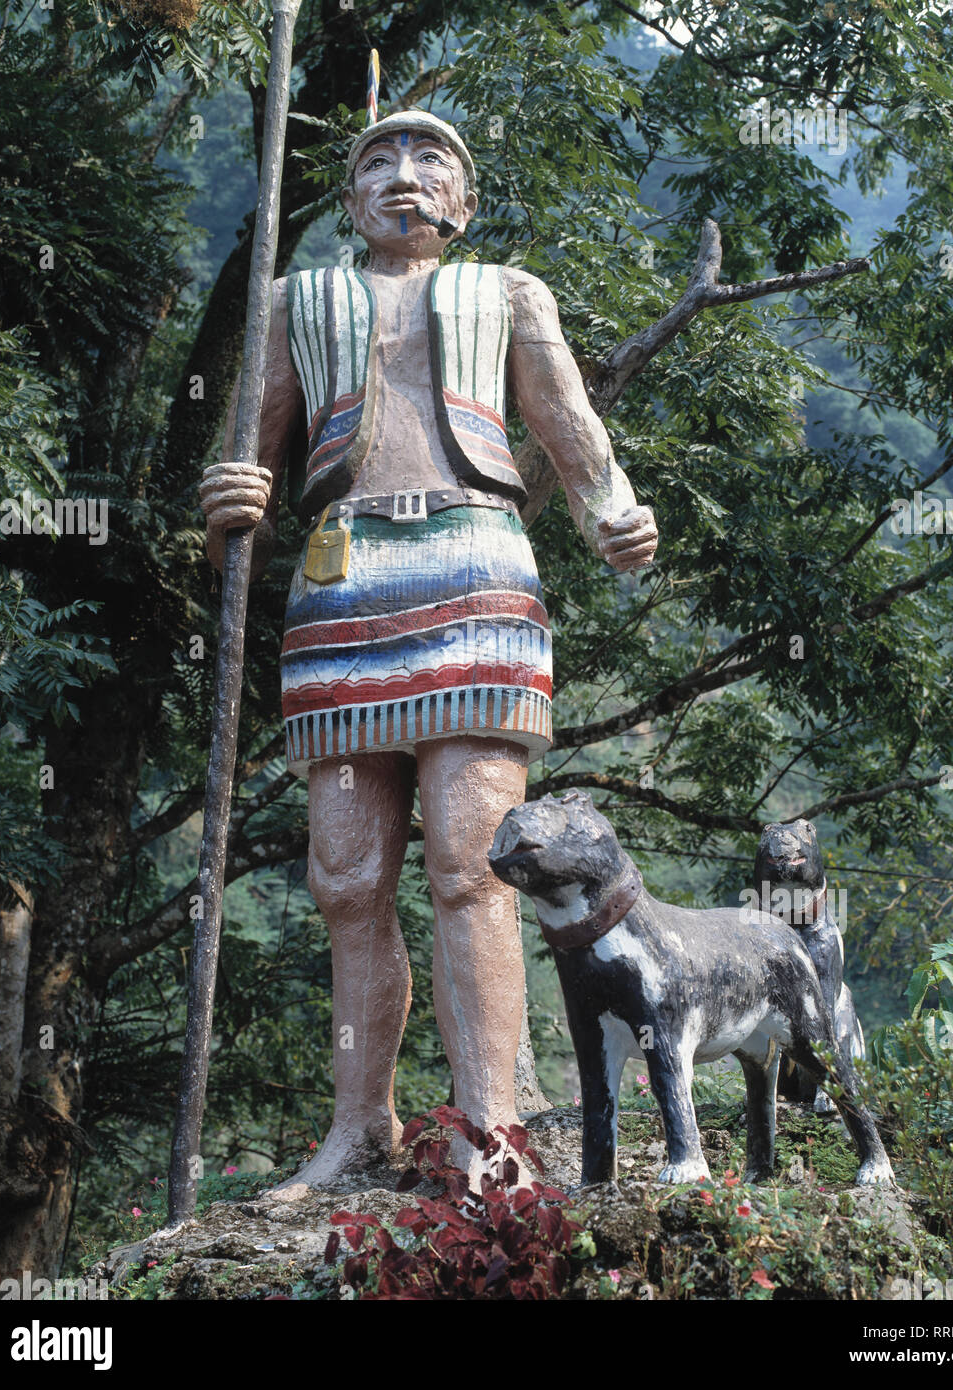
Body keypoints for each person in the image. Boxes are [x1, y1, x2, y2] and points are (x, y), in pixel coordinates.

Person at [200, 110, 658, 1191]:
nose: (403, 177)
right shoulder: (293, 303)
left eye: (430, 162)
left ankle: (488, 1125)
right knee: (348, 877)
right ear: (348, 198)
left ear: (464, 201)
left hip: (474, 567)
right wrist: (226, 496)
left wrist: (611, 506)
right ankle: (359, 1122)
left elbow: (564, 416)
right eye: (378, 163)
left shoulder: (507, 293)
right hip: (340, 576)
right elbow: (239, 466)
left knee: (473, 862)